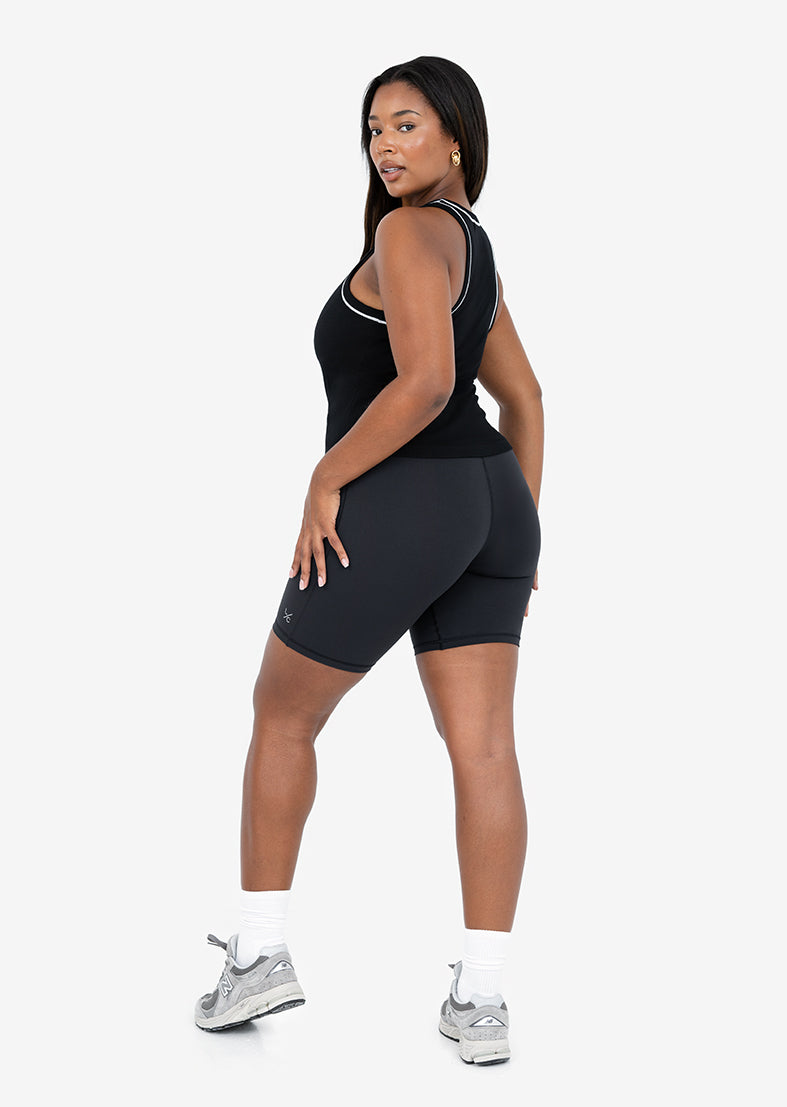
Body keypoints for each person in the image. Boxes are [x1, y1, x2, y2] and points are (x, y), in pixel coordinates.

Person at [194, 56, 544, 1066]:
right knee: (483, 748)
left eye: (406, 124)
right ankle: (482, 999)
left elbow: (428, 384)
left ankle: (258, 954)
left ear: (457, 138)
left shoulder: (407, 232)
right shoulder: (470, 245)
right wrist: (521, 530)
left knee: (281, 711)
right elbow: (522, 400)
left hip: (413, 500)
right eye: (373, 129)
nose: (384, 145)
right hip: (492, 504)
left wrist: (325, 474)